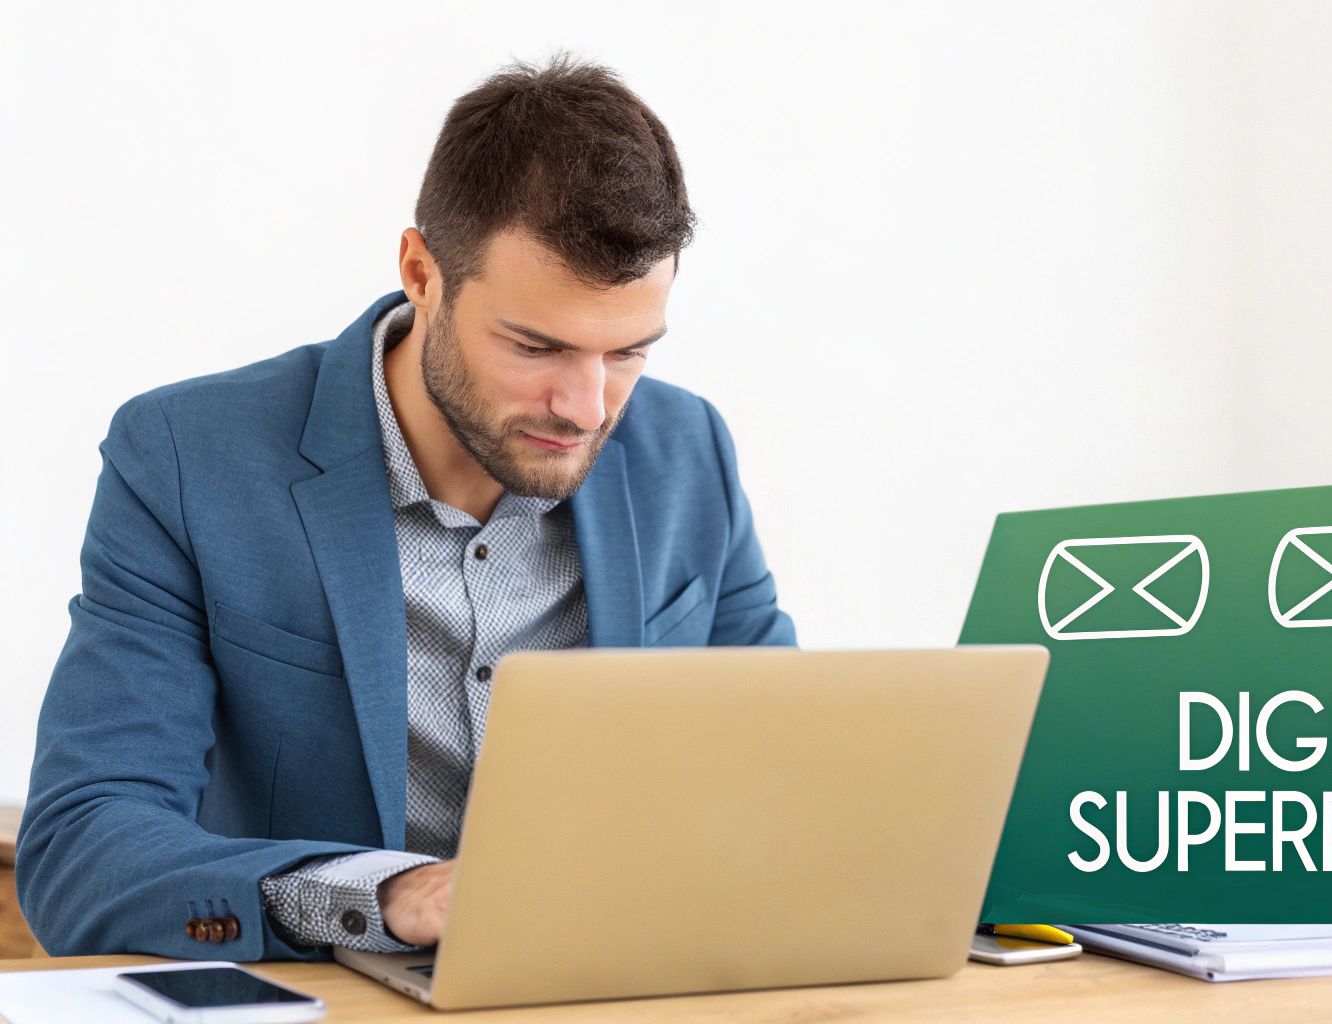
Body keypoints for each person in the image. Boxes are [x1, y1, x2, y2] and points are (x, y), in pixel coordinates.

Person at [16, 54, 794, 961]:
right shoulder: (188, 460)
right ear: (423, 272)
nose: (587, 409)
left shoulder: (684, 451)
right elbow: (82, 847)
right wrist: (385, 898)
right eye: (536, 346)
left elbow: (778, 769)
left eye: (627, 353)